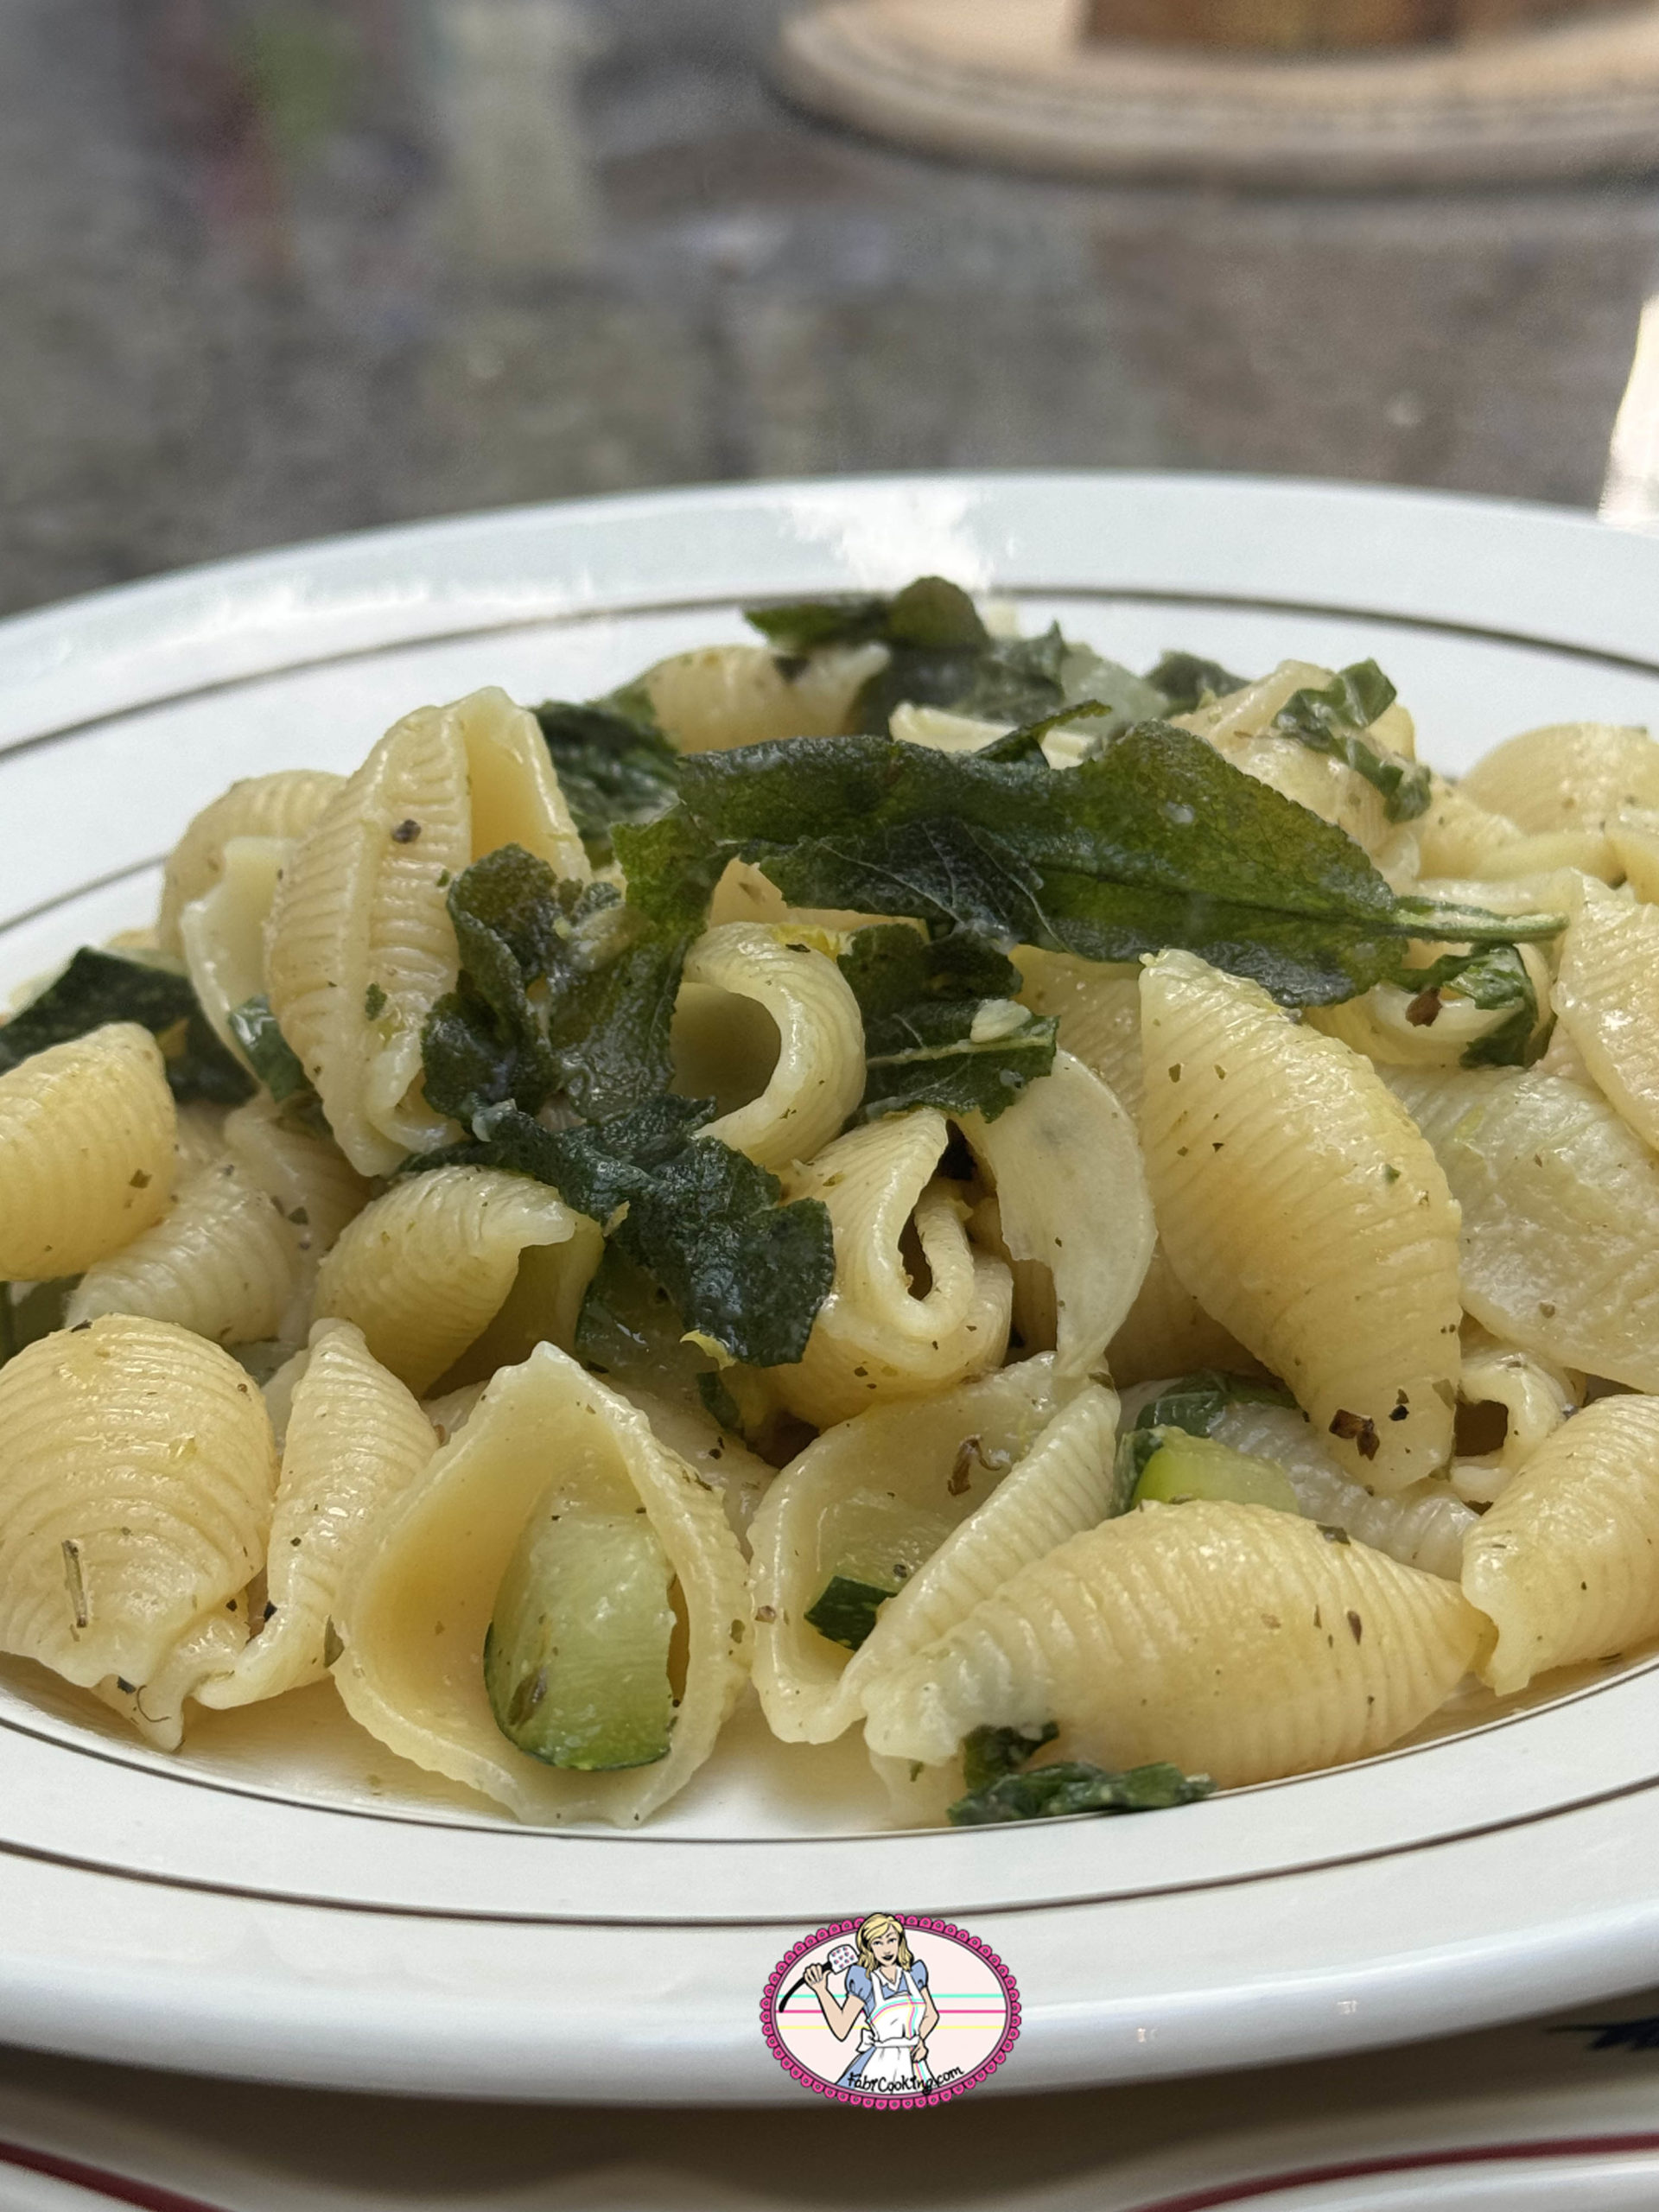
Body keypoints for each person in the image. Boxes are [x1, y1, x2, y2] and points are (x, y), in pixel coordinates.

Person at [802, 1912, 939, 2092]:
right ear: (869, 1948)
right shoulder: (864, 1981)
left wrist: (919, 2040)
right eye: (878, 1943)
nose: (886, 1949)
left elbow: (931, 2015)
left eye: (891, 1940)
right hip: (877, 2065)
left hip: (915, 2063)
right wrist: (821, 1990)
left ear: (900, 1941)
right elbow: (841, 2028)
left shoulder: (914, 1974)